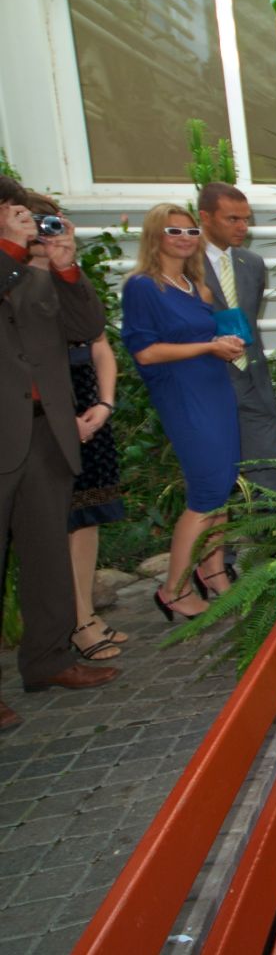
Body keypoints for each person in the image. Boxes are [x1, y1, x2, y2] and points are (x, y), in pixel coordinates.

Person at [0, 176, 119, 725]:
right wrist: (11, 252)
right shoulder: (12, 266)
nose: (21, 219)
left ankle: (47, 659)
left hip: (47, 431)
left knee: (46, 553)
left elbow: (87, 327)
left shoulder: (37, 272)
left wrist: (67, 268)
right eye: (8, 209)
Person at [121, 204, 243, 620]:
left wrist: (225, 344)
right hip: (182, 394)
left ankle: (214, 571)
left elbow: (209, 337)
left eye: (191, 232)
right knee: (207, 490)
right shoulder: (143, 287)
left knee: (223, 484)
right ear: (155, 235)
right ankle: (172, 589)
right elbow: (145, 352)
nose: (184, 238)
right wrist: (209, 346)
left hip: (215, 389)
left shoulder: (196, 287)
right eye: (174, 231)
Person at [24, 194, 126, 662]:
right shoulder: (15, 280)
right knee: (60, 522)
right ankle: (76, 621)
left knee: (87, 516)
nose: (47, 231)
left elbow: (99, 342)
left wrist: (104, 403)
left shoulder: (70, 278)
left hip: (87, 400)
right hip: (44, 409)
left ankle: (85, 610)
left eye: (54, 222)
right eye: (36, 222)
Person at [198, 181, 276, 497]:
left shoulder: (253, 264)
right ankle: (221, 530)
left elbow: (248, 316)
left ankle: (271, 527)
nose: (242, 227)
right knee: (215, 473)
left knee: (267, 467)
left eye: (246, 219)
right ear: (205, 217)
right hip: (209, 378)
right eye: (232, 219)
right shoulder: (185, 263)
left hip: (252, 377)